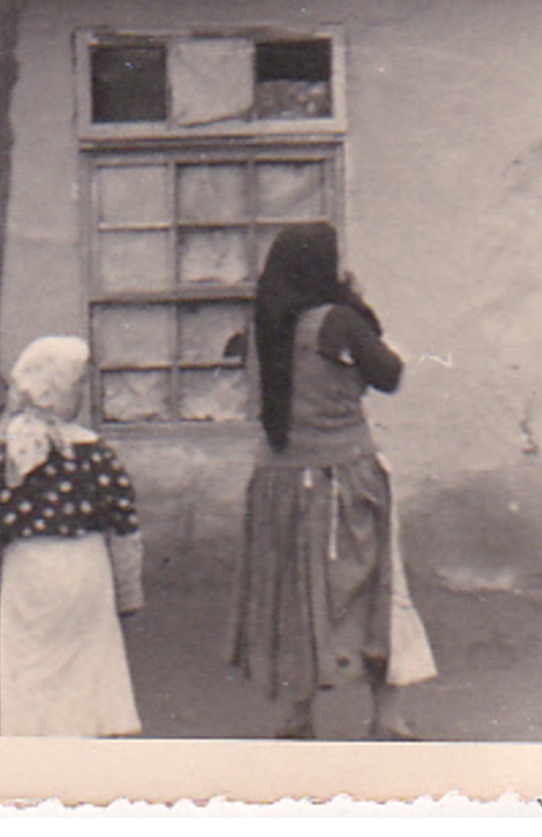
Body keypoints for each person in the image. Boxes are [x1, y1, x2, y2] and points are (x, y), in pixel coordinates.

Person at [230, 222, 431, 740]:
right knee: (375, 589)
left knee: (293, 594)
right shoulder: (337, 323)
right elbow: (389, 374)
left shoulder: (259, 327)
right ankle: (387, 716)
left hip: (277, 482)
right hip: (344, 478)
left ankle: (295, 716)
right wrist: (360, 308)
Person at [0, 336, 143, 737]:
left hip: (26, 572)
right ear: (51, 388)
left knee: (30, 672)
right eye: (76, 382)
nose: (82, 391)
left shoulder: (1, 448)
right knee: (83, 676)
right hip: (82, 569)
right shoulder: (93, 452)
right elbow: (124, 525)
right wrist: (129, 594)